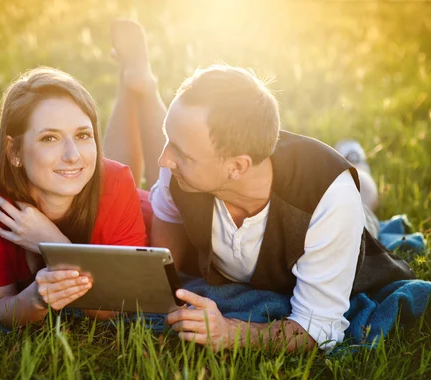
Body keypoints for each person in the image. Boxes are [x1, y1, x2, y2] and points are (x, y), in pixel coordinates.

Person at [103, 19, 414, 352]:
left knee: (365, 201)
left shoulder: (328, 200)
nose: (163, 160)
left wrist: (230, 332)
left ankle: (356, 160)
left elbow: (319, 327)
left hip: (346, 222)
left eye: (181, 152)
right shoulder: (178, 171)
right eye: (169, 142)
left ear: (237, 166)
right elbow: (164, 262)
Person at [0, 67, 148, 329]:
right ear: (14, 150)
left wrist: (52, 242)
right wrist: (35, 300)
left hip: (153, 214)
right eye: (50, 138)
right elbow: (0, 307)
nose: (72, 154)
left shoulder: (117, 181)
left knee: (162, 182)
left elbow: (115, 306)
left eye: (83, 135)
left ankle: (139, 86)